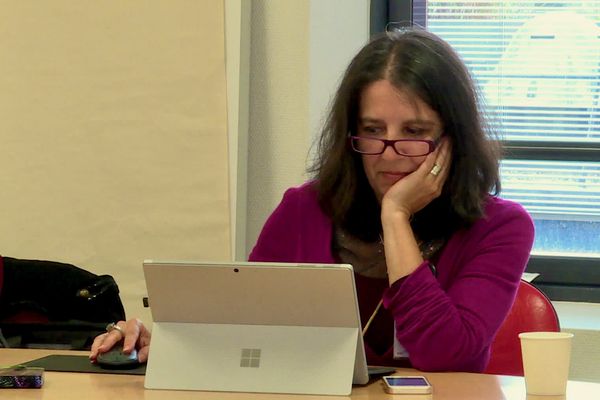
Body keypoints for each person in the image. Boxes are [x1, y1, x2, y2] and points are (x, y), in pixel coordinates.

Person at [90, 28, 534, 373]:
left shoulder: (500, 227)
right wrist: (166, 343)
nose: (389, 153)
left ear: (452, 140)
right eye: (373, 130)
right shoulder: (303, 210)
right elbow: (243, 329)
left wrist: (396, 216)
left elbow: (446, 356)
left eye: (415, 133)